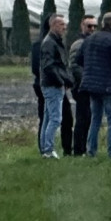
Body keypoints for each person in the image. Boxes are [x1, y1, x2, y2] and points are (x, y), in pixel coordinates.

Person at [77, 12, 111, 158]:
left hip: (92, 85)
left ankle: (91, 151)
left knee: (95, 119)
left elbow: (78, 59)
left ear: (102, 23)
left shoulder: (89, 39)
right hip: (109, 85)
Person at [32, 16, 74, 155]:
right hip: (52, 85)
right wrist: (62, 81)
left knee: (48, 117)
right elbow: (50, 66)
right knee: (55, 119)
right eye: (62, 24)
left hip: (50, 84)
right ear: (53, 25)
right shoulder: (50, 43)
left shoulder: (53, 41)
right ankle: (49, 150)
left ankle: (45, 148)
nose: (64, 27)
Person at [68, 15, 98, 156]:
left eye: (94, 26)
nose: (92, 29)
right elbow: (74, 66)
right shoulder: (79, 44)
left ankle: (84, 148)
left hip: (89, 86)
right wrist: (86, 81)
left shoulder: (91, 43)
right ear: (82, 26)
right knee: (82, 118)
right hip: (81, 87)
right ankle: (79, 149)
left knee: (89, 118)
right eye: (89, 26)